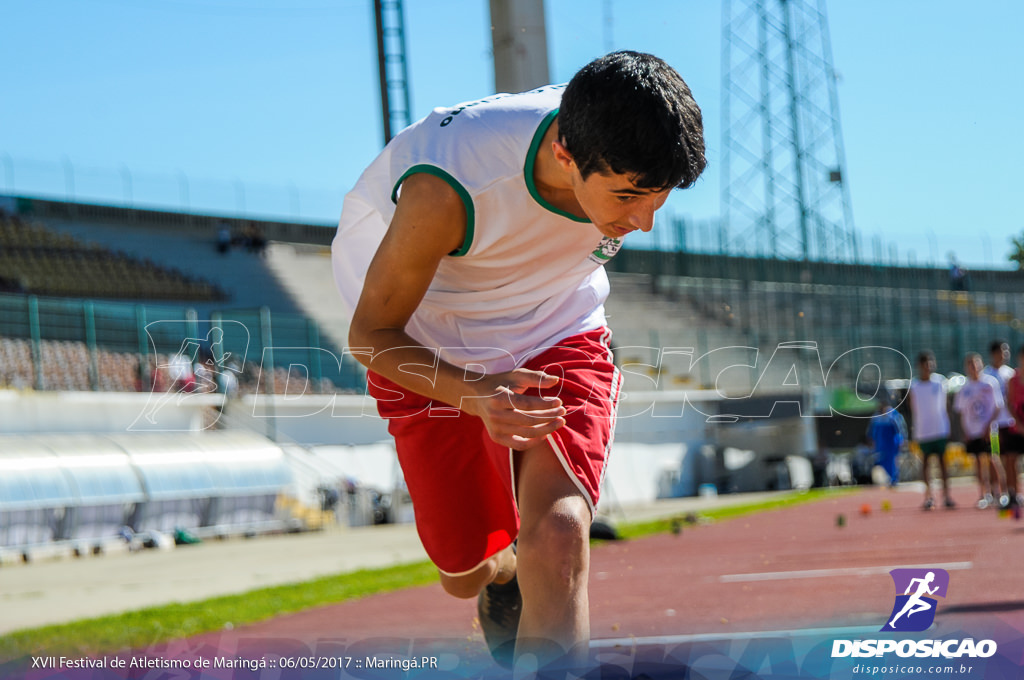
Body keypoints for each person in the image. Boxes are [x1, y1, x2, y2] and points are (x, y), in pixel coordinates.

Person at [332, 51, 706, 670]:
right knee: (464, 571)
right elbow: (371, 334)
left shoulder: (615, 126)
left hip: (558, 326)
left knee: (559, 535)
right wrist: (476, 393)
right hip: (428, 342)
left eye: (658, 199)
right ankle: (504, 573)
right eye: (629, 196)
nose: (643, 221)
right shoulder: (448, 185)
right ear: (564, 153)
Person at [953, 353, 1004, 509]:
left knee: (993, 460)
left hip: (990, 431)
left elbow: (998, 406)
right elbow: (961, 411)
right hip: (972, 431)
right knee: (977, 462)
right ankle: (984, 494)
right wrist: (965, 431)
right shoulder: (964, 388)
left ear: (981, 364)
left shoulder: (989, 383)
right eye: (970, 365)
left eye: (976, 364)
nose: (973, 368)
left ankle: (999, 493)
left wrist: (989, 426)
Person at [908, 351, 955, 510]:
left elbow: (945, 405)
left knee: (943, 463)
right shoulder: (914, 386)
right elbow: (912, 407)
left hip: (940, 429)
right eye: (925, 363)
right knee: (926, 464)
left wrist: (947, 425)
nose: (928, 366)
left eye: (930, 362)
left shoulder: (940, 382)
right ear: (919, 366)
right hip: (923, 431)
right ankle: (928, 497)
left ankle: (946, 495)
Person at [984, 340, 1017, 509]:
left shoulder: (1010, 374)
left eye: (1006, 351)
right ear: (993, 353)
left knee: (1012, 458)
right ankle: (998, 492)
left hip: (1010, 423)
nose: (1004, 355)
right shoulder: (986, 375)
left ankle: (1013, 492)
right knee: (995, 458)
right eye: (1001, 351)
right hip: (994, 425)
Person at [866, 391, 906, 488]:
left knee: (892, 462)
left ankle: (894, 480)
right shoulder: (876, 417)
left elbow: (900, 428)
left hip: (891, 443)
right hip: (880, 443)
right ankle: (888, 479)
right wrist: (871, 440)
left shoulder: (893, 415)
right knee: (881, 461)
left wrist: (902, 440)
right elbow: (871, 431)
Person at [1003, 345, 1024, 508]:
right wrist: (1018, 422)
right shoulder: (1013, 379)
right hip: (1016, 427)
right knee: (1010, 459)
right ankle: (1013, 494)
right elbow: (1010, 403)